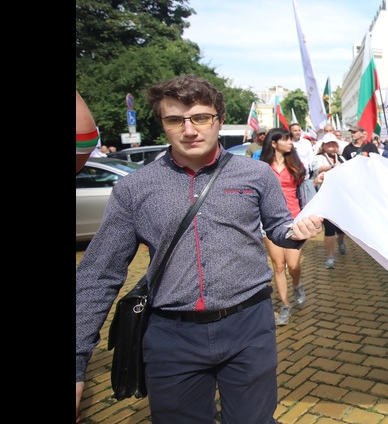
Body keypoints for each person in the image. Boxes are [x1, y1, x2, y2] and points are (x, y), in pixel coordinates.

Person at [75, 75, 322, 422]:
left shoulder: (256, 175)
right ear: (163, 124)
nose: (189, 130)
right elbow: (98, 275)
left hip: (248, 325)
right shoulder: (134, 189)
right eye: (175, 120)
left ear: (219, 120)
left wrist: (296, 232)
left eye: (201, 118)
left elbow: (278, 228)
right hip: (170, 335)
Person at [260, 128, 309, 325]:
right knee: (278, 265)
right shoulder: (262, 167)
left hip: (293, 219)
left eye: (291, 139)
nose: (291, 143)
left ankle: (297, 283)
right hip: (268, 220)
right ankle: (285, 305)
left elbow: (305, 192)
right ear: (274, 143)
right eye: (286, 139)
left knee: (294, 265)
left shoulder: (296, 166)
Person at [312, 133, 346, 269]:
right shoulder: (319, 158)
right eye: (328, 144)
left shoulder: (342, 157)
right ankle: (330, 256)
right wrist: (332, 167)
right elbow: (317, 169)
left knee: (341, 227)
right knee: (329, 228)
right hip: (325, 198)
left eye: (333, 144)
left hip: (341, 198)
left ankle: (341, 240)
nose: (331, 146)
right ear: (323, 146)